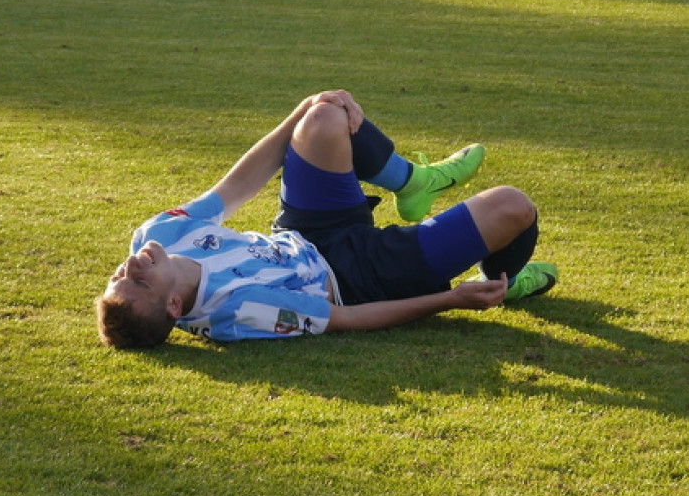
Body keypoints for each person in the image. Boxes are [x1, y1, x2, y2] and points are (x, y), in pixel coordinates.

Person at [96, 90, 557, 349]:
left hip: (305, 231)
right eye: (139, 282)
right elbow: (342, 318)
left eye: (119, 275)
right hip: (357, 277)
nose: (132, 266)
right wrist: (450, 300)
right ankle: (504, 280)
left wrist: (304, 106)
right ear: (175, 307)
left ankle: (416, 182)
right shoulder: (236, 312)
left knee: (324, 116)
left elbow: (237, 187)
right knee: (512, 207)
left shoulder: (155, 234)